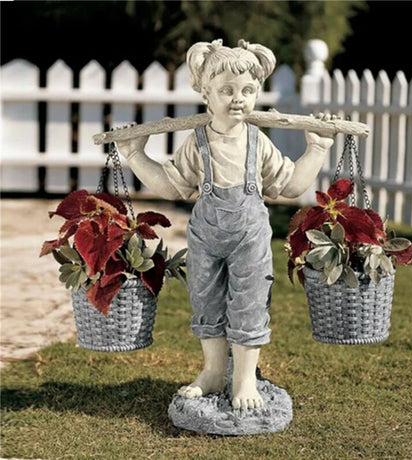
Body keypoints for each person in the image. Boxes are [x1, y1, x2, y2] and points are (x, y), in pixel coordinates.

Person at [116, 39, 335, 410]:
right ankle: (214, 372)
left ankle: (244, 378)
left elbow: (290, 186)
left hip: (250, 236)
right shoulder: (197, 142)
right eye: (227, 90)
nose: (238, 99)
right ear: (206, 93)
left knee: (250, 300)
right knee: (206, 298)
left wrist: (317, 149)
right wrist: (135, 155)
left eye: (247, 91)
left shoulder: (257, 142)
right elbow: (172, 186)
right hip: (206, 236)